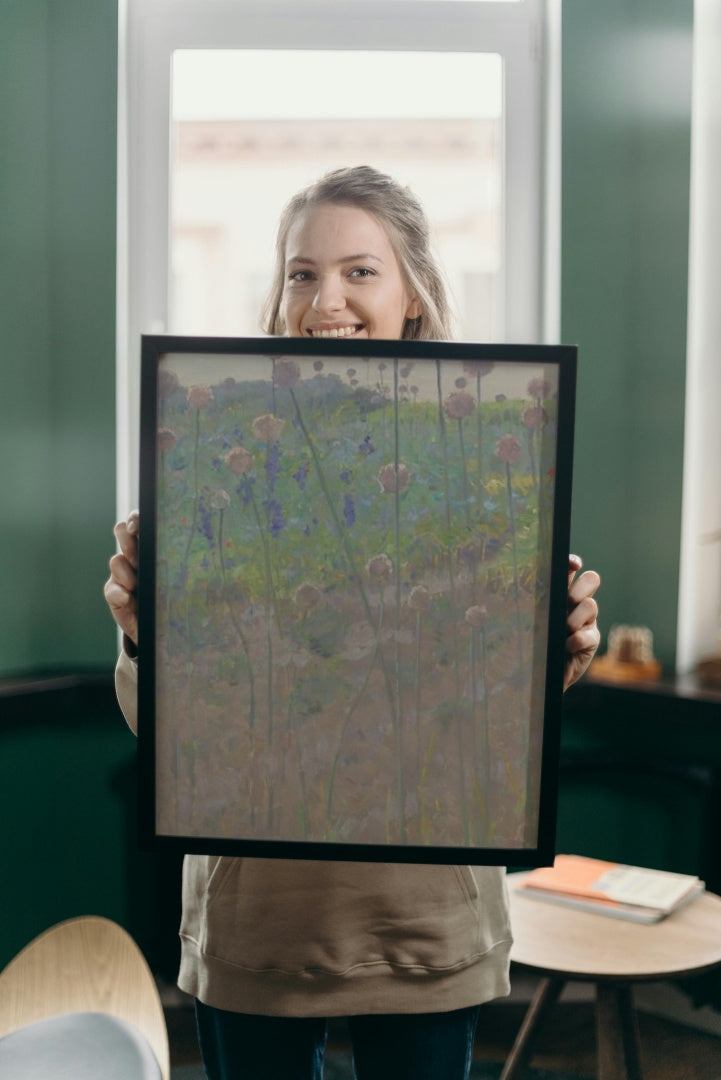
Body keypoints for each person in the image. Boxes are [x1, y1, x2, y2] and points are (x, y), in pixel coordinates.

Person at [105, 166, 601, 1080]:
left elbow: (484, 712)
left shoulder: (489, 461)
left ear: (412, 292)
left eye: (359, 271)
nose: (324, 298)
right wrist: (146, 637)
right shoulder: (211, 459)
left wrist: (553, 652)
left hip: (423, 918)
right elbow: (178, 732)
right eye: (301, 272)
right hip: (258, 918)